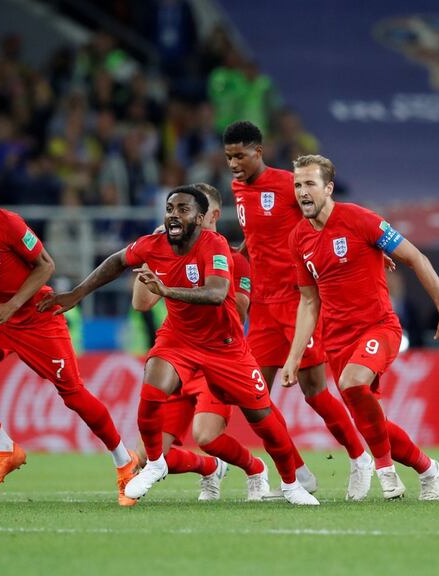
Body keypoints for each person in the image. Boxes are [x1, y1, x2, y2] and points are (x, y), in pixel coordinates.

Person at [38, 185, 319, 506]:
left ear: (200, 218)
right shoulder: (153, 244)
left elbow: (215, 294)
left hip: (224, 346)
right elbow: (116, 262)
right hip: (178, 340)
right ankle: (157, 463)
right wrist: (78, 293)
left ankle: (291, 483)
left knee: (262, 419)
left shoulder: (214, 245)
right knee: (151, 389)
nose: (174, 214)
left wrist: (168, 290)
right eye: (170, 209)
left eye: (183, 209)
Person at [0, 169, 137, 504]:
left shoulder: (7, 223)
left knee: (73, 394)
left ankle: (124, 462)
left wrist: (12, 306)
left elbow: (46, 265)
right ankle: (5, 449)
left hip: (37, 314)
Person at [281, 154, 439, 501]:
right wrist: (293, 358)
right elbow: (308, 302)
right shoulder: (298, 239)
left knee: (352, 383)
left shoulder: (361, 220)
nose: (302, 192)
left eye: (309, 184)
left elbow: (415, 257)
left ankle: (385, 470)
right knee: (371, 421)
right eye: (297, 185)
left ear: (328, 188)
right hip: (336, 341)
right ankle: (428, 468)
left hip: (379, 327)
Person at [224, 120, 374, 500]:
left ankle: (359, 457)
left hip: (296, 299)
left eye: (240, 155)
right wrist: (237, 253)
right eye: (228, 157)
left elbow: (330, 215)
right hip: (262, 304)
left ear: (259, 152)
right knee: (253, 396)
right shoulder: (239, 187)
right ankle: (298, 473)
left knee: (313, 390)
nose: (233, 163)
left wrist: (366, 247)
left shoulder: (289, 184)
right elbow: (259, 234)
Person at [130, 184, 274, 501]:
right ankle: (209, 468)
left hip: (215, 357)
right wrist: (155, 261)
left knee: (206, 436)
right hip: (177, 355)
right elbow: (141, 304)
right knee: (142, 457)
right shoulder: (166, 247)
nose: (182, 217)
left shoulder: (234, 260)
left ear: (210, 215)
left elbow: (237, 311)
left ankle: (255, 468)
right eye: (176, 210)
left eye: (191, 210)